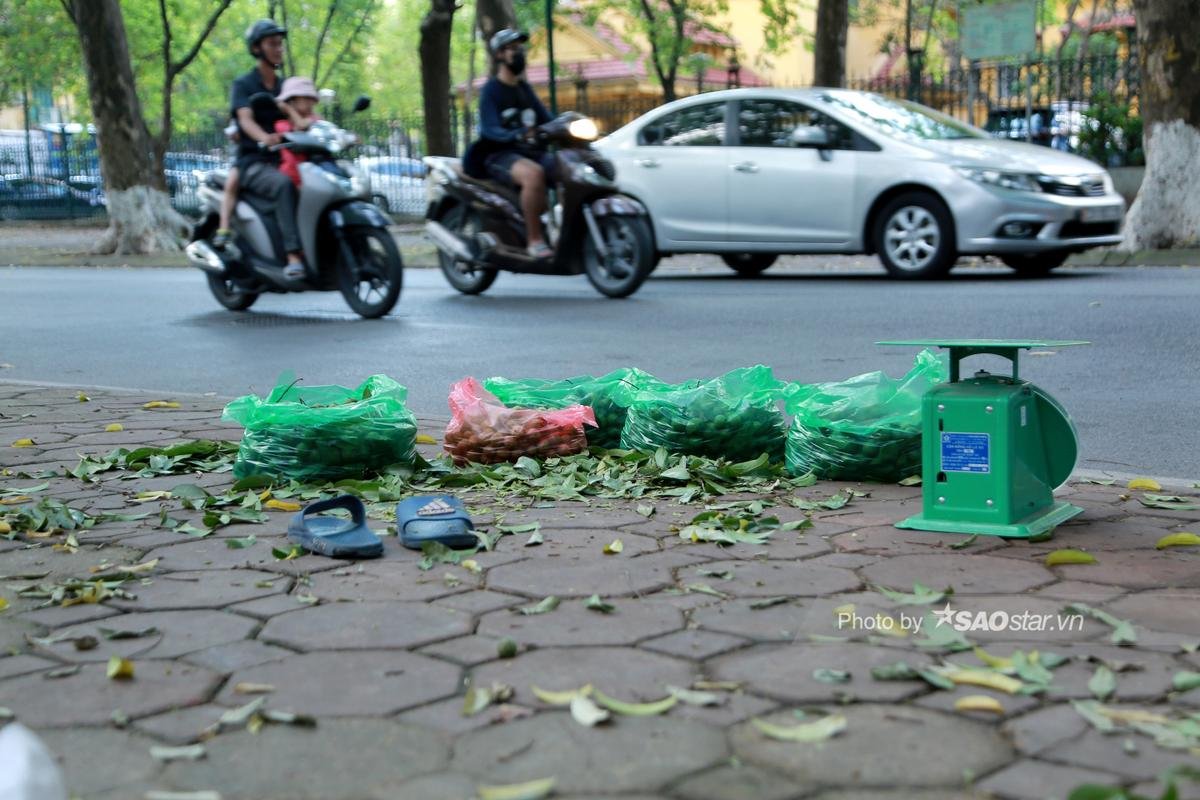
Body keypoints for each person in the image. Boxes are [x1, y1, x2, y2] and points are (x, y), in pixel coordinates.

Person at [227, 19, 306, 282]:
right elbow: (245, 118)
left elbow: (300, 114)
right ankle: (294, 255)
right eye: (272, 44)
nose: (278, 49)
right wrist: (264, 137)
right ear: (257, 48)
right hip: (254, 161)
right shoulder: (244, 85)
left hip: (286, 156)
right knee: (284, 185)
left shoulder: (285, 87)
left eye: (280, 44)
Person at [469, 28, 554, 259]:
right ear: (499, 55)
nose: (519, 53)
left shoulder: (524, 89)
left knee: (567, 166)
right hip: (499, 155)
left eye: (520, 48)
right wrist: (514, 135)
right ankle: (534, 240)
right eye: (513, 49)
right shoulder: (491, 91)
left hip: (527, 152)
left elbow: (546, 119)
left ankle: (561, 230)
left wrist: (568, 124)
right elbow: (490, 129)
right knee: (533, 174)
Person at [273, 77, 321, 187]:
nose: (311, 102)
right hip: (292, 179)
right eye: (306, 98)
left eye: (312, 98)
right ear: (291, 101)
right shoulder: (281, 125)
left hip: (315, 176)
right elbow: (301, 126)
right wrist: (289, 110)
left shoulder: (315, 119)